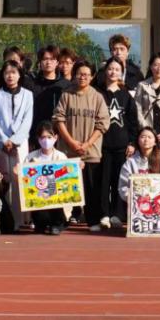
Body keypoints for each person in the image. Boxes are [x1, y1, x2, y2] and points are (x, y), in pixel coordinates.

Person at [53, 61, 110, 231]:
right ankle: (63, 220)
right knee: (66, 187)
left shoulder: (97, 97)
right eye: (79, 73)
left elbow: (103, 124)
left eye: (86, 74)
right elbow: (58, 119)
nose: (82, 77)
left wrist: (87, 144)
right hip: (68, 150)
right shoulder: (66, 95)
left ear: (92, 77)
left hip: (91, 151)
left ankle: (93, 221)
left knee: (91, 189)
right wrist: (71, 142)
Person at [0, 59, 34, 226]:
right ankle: (5, 220)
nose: (10, 76)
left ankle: (22, 219)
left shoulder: (28, 95)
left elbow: (27, 120)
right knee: (3, 179)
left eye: (14, 72)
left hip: (20, 143)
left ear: (19, 75)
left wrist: (15, 140)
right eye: (7, 73)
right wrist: (3, 140)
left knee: (20, 179)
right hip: (1, 143)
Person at [96, 57, 138, 229]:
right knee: (103, 181)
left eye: (117, 69)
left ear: (122, 73)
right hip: (102, 145)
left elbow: (133, 121)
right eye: (110, 68)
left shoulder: (126, 95)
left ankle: (117, 214)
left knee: (119, 181)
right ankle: (104, 213)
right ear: (105, 71)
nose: (113, 72)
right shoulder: (98, 93)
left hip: (122, 146)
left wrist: (132, 142)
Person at [118, 126, 160, 212]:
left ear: (155, 142)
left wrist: (159, 192)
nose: (146, 140)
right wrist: (134, 197)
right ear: (138, 141)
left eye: (149, 137)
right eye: (143, 137)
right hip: (140, 200)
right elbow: (123, 186)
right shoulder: (130, 162)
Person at [24, 122, 69, 235]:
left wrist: (77, 168)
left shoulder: (61, 156)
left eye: (49, 137)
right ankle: (41, 224)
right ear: (38, 139)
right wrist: (18, 173)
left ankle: (57, 224)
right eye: (43, 137)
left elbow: (68, 177)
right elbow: (25, 181)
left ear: (55, 138)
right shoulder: (30, 157)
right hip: (39, 198)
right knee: (40, 217)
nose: (46, 140)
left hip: (56, 197)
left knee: (56, 203)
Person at [31, 46, 68, 136]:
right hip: (37, 133)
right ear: (40, 62)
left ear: (57, 62)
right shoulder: (32, 84)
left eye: (52, 59)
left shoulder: (66, 85)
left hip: (59, 134)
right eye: (45, 59)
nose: (48, 62)